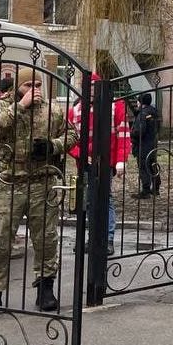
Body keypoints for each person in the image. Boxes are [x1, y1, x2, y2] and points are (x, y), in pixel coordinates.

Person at [0, 68, 77, 313]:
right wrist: (20, 106)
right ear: (17, 88)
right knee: (0, 239)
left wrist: (52, 146)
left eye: (38, 84)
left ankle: (45, 289)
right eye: (28, 85)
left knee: (46, 240)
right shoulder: (2, 107)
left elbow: (72, 134)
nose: (34, 90)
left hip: (41, 183)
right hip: (10, 184)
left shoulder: (52, 109)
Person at [67, 74, 131, 256]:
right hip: (86, 164)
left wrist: (120, 161)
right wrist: (81, 155)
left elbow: (123, 135)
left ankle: (107, 238)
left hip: (106, 163)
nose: (92, 90)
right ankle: (92, 237)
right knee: (88, 200)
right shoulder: (77, 110)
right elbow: (70, 140)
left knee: (105, 199)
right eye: (88, 86)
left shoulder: (115, 106)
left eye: (95, 86)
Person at [133, 93, 161, 197]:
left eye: (138, 101)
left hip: (143, 144)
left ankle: (146, 190)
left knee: (143, 166)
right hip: (153, 142)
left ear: (141, 102)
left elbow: (140, 131)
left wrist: (132, 134)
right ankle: (156, 187)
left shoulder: (143, 114)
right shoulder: (154, 112)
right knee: (152, 164)